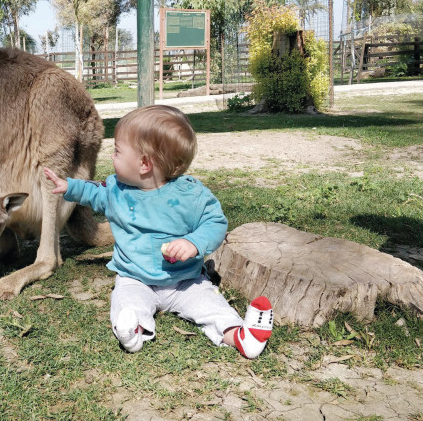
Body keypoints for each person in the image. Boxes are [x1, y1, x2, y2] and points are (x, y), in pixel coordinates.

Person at [43, 105, 273, 358]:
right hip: (135, 277)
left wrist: (194, 243)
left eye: (118, 151)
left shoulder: (190, 195)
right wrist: (69, 186)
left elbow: (215, 222)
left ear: (144, 164)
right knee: (127, 301)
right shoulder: (116, 190)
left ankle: (241, 335)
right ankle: (133, 330)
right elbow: (93, 192)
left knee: (210, 305)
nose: (112, 157)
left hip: (185, 281)